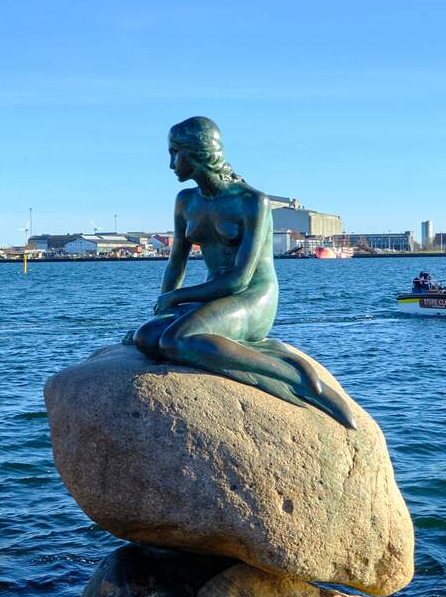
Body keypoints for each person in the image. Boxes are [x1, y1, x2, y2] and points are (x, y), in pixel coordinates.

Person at [131, 117, 354, 427]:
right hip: (213, 297)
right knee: (146, 337)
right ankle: (231, 349)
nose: (171, 164)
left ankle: (294, 374)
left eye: (175, 152)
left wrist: (178, 297)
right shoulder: (186, 201)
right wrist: (162, 305)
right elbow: (176, 263)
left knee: (174, 341)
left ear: (198, 153)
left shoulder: (252, 201)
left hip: (252, 296)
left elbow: (240, 279)